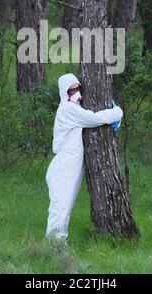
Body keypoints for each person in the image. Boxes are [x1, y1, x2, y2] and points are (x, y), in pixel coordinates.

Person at [45, 72, 123, 242]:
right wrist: (117, 112)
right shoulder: (68, 109)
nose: (76, 94)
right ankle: (54, 246)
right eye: (71, 91)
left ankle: (56, 245)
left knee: (64, 208)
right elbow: (95, 119)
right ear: (64, 93)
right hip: (63, 168)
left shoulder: (73, 109)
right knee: (60, 209)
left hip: (68, 167)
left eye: (78, 89)